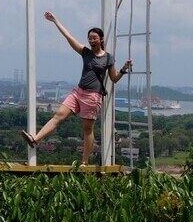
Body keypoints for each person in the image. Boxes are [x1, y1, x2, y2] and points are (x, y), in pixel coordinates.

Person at [21, 11, 132, 166]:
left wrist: (124, 69)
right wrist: (55, 21)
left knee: (87, 130)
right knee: (58, 115)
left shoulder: (108, 57)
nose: (91, 40)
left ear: (101, 39)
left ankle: (84, 161)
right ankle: (35, 139)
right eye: (89, 38)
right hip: (78, 92)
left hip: (93, 97)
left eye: (94, 38)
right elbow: (69, 37)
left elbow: (113, 78)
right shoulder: (85, 52)